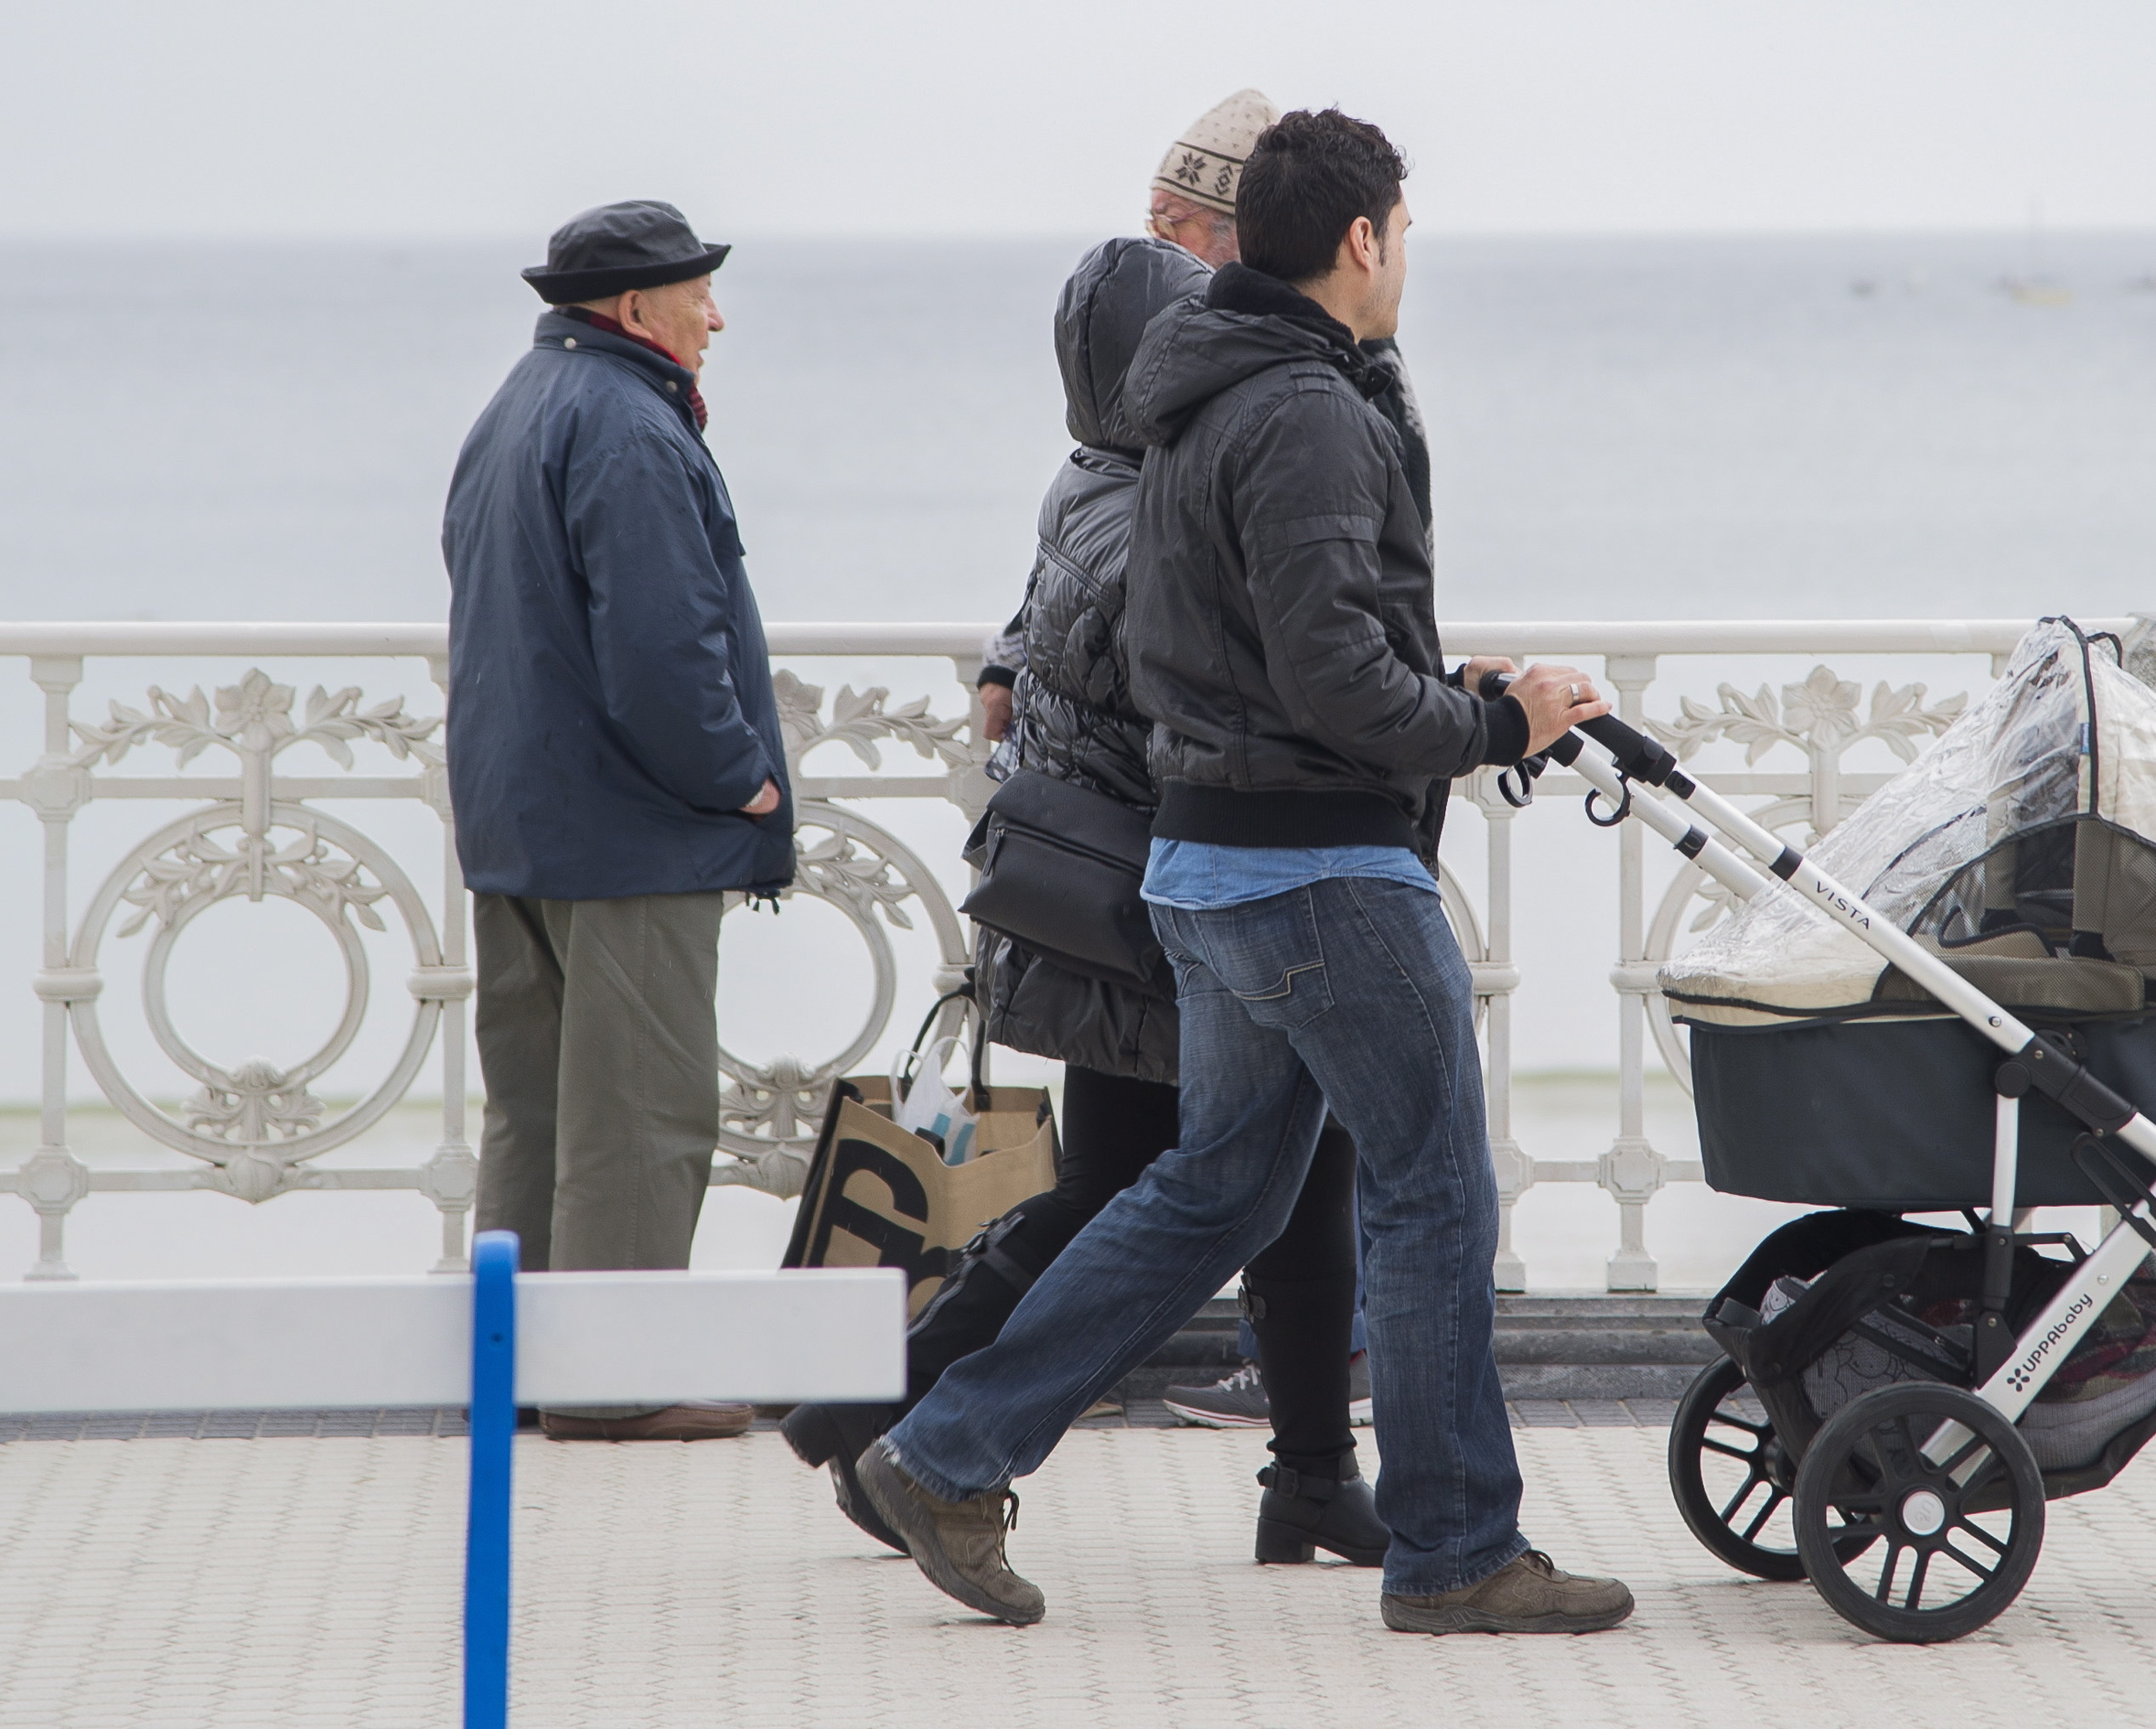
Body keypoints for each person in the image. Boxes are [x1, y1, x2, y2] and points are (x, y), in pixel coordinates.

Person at [854, 109, 1635, 1636]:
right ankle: (1461, 1548)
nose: (1406, 261)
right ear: (1360, 240)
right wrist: (1492, 718)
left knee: (1213, 1190)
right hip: (1320, 868)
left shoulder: (1192, 401)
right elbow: (1337, 678)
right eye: (1402, 235)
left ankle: (944, 1450)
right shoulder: (1315, 411)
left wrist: (1438, 674)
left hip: (1206, 861)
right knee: (1430, 1195)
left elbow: (1254, 642)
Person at [781, 231, 1388, 1572]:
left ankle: (875, 1410)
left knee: (1185, 1181)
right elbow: (1225, 680)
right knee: (1226, 1182)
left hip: (1123, 901)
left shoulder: (1096, 476)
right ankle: (898, 1417)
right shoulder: (1155, 505)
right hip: (1174, 905)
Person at [442, 200, 791, 1443]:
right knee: (639, 1111)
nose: (715, 314)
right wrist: (741, 778)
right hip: (630, 828)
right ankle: (615, 1380)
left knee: (532, 1108)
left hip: (521, 815)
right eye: (698, 292)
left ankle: (521, 1366)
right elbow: (660, 648)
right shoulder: (630, 425)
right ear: (637, 310)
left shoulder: (520, 403)